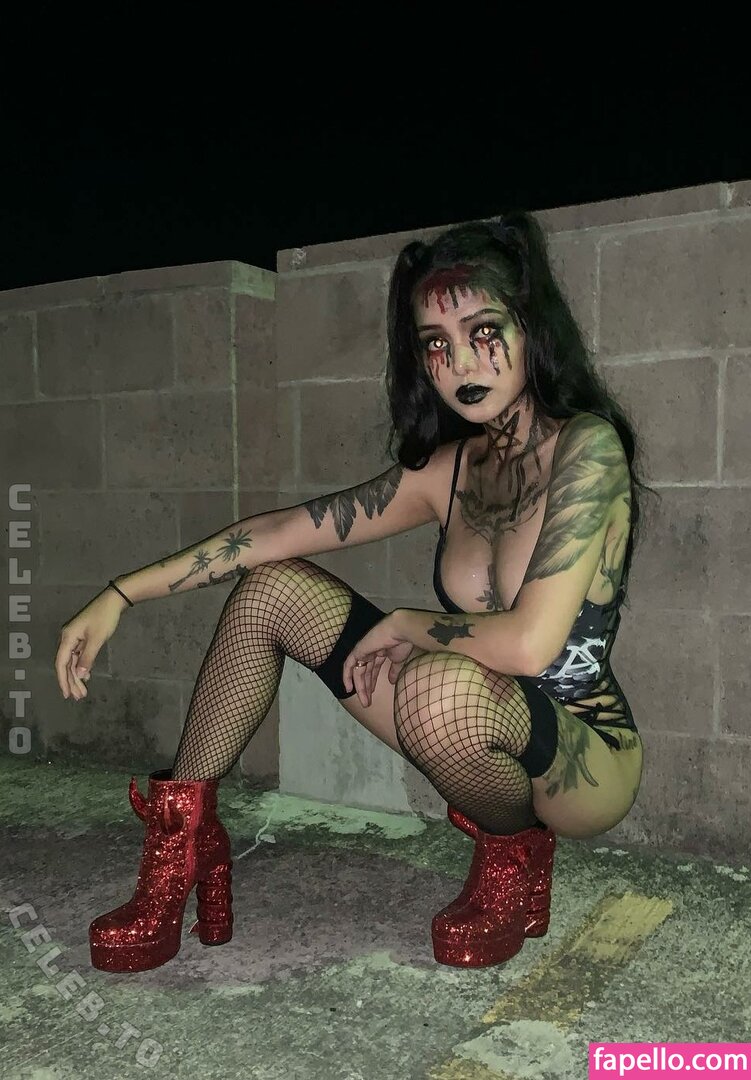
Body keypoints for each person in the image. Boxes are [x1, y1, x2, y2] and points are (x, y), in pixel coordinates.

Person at [55, 211, 655, 973]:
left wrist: (403, 624)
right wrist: (120, 594)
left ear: (530, 328)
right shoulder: (451, 469)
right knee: (272, 587)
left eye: (483, 331)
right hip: (464, 710)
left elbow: (531, 645)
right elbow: (279, 532)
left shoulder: (586, 449)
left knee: (439, 684)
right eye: (434, 344)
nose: (458, 361)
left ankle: (513, 855)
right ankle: (184, 843)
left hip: (582, 756)